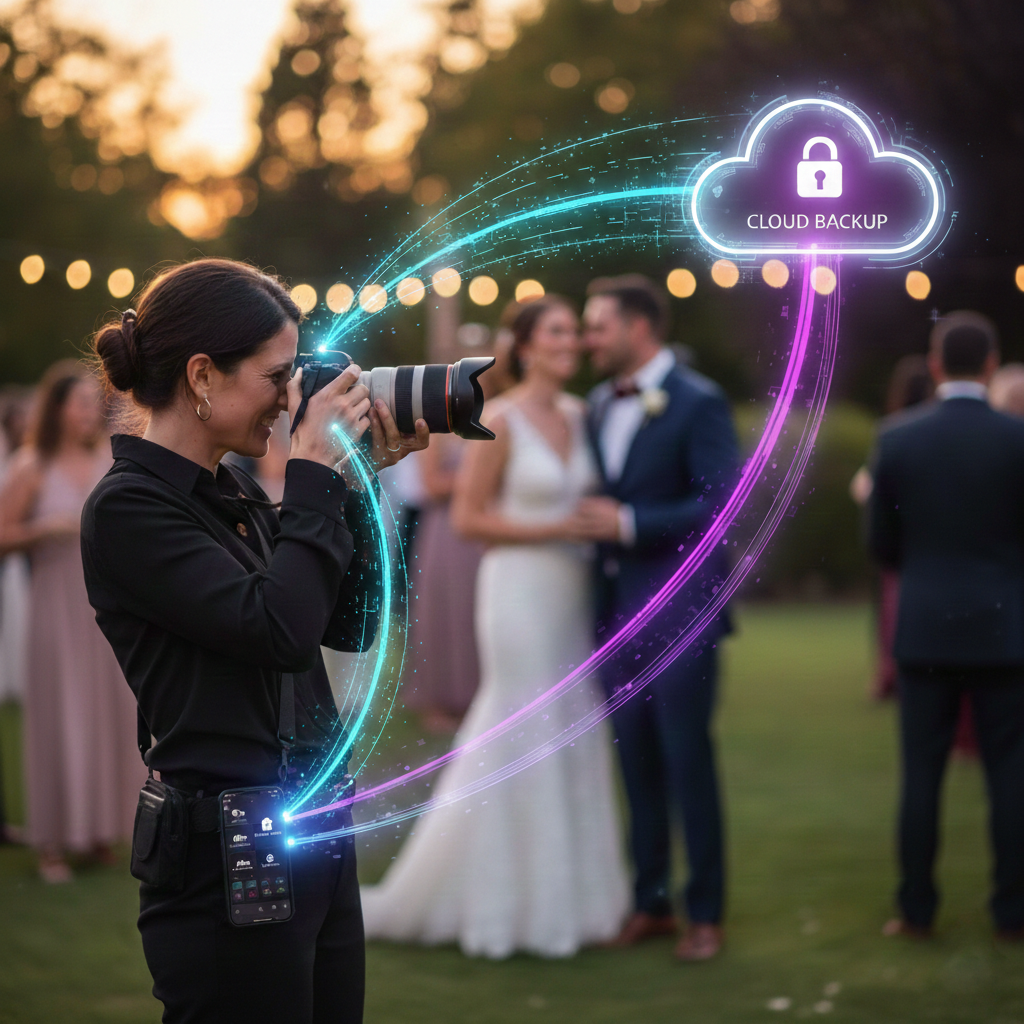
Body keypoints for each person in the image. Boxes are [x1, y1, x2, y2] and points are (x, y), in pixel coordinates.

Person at [81, 258, 428, 1023]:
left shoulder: (230, 491)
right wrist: (310, 477)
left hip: (312, 826)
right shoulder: (129, 511)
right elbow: (279, 629)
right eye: (277, 377)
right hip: (225, 856)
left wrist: (356, 484)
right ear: (203, 375)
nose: (291, 398)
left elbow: (346, 623)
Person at [360, 295, 630, 959]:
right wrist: (550, 529)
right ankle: (503, 904)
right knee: (520, 723)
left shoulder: (578, 414)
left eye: (575, 333)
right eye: (559, 332)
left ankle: (581, 899)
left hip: (572, 593)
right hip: (517, 593)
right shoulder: (499, 419)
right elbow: (469, 518)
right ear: (526, 345)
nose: (573, 343)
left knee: (571, 721)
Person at [579, 275, 739, 962]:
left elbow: (718, 508)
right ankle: (652, 903)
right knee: (634, 763)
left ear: (639, 328)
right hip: (613, 615)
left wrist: (629, 522)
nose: (589, 339)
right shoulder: (593, 404)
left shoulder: (699, 402)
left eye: (598, 326)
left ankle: (705, 912)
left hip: (681, 616)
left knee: (686, 761)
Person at [869, 310, 1024, 940]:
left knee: (922, 775)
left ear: (936, 365)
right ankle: (1013, 913)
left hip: (926, 628)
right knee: (1011, 775)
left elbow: (881, 542)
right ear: (990, 366)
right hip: (1004, 627)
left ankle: (916, 910)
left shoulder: (898, 438)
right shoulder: (1018, 439)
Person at [0, 361, 144, 881]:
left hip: (106, 610)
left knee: (107, 714)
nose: (90, 412)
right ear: (56, 408)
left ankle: (100, 830)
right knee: (60, 715)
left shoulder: (110, 458)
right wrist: (46, 529)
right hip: (55, 607)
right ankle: (51, 844)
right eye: (80, 402)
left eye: (93, 403)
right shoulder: (30, 466)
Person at [850, 355, 935, 701]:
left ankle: (891, 674)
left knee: (892, 610)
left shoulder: (892, 432)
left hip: (901, 541)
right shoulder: (930, 429)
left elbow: (869, 485)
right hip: (931, 539)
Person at [403, 431, 484, 732]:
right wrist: (481, 472)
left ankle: (477, 695)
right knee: (444, 610)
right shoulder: (439, 430)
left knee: (475, 609)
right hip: (445, 529)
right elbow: (432, 484)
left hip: (481, 528)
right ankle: (439, 699)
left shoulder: (496, 415)